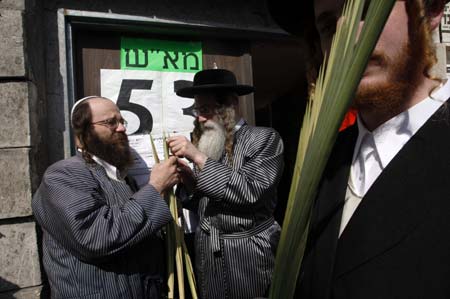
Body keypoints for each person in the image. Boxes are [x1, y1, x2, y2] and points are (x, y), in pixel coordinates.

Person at [270, 0, 450, 298]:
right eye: (328, 25)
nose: (345, 37)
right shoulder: (322, 163)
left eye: (365, 11)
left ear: (430, 11)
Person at [32, 96, 179, 299]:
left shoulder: (123, 178)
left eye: (121, 122)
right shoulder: (63, 175)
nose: (121, 129)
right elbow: (96, 237)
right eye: (111, 122)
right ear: (82, 132)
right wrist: (156, 187)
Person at [167, 68, 284, 299]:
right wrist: (191, 183)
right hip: (209, 254)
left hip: (248, 254)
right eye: (197, 110)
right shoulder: (210, 140)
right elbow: (208, 203)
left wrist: (198, 157)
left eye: (206, 109)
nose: (199, 117)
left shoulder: (264, 138)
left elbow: (251, 192)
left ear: (230, 104)